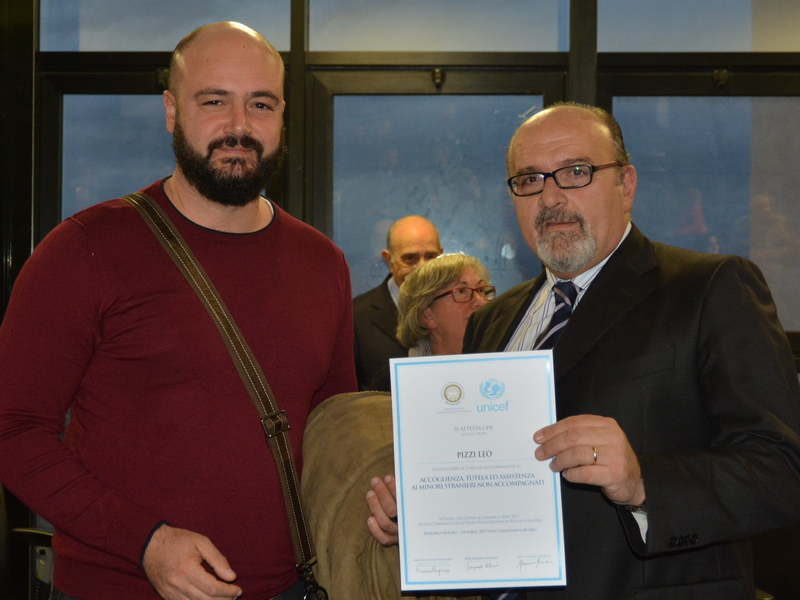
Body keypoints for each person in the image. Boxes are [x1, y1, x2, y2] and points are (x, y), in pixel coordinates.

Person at [366, 102, 800, 599]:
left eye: (576, 172)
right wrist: (428, 517)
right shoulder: (491, 321)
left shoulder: (709, 289)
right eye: (529, 179)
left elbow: (782, 470)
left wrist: (643, 482)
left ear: (626, 185)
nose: (550, 197)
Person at [0, 22, 356, 600]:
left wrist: (379, 494)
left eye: (260, 104)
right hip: (117, 589)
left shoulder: (322, 263)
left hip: (291, 587)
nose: (239, 126)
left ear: (282, 115)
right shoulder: (84, 249)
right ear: (171, 111)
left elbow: (334, 433)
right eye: (214, 101)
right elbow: (13, 431)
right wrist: (145, 542)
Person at [353, 215, 442, 390]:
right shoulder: (355, 317)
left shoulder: (459, 309)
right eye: (410, 258)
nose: (422, 268)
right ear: (389, 260)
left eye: (431, 256)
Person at [396, 253, 494, 357]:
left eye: (481, 290)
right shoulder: (411, 367)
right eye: (461, 291)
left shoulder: (504, 358)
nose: (481, 302)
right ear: (427, 316)